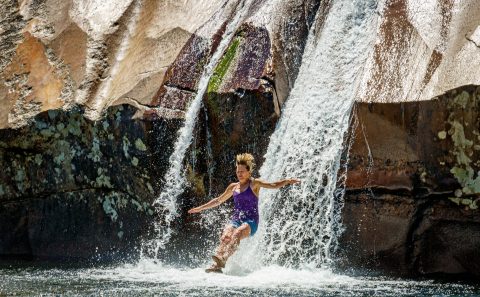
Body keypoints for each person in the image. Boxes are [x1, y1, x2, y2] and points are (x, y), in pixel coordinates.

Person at [188, 153, 300, 273]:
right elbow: (218, 200)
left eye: (242, 171)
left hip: (251, 222)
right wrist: (200, 208)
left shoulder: (254, 184)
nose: (239, 174)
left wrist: (287, 181)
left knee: (237, 233)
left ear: (249, 172)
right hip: (237, 219)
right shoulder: (233, 187)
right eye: (237, 171)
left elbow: (273, 185)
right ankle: (216, 265)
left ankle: (223, 259)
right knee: (226, 235)